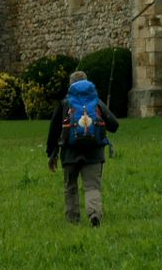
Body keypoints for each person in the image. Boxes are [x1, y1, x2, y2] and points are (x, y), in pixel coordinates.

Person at [47, 70, 120, 226]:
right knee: (92, 186)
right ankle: (94, 214)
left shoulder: (65, 103)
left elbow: (54, 131)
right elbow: (114, 125)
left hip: (69, 153)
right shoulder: (96, 101)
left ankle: (73, 220)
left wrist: (51, 154)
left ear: (70, 85)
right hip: (94, 153)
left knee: (70, 186)